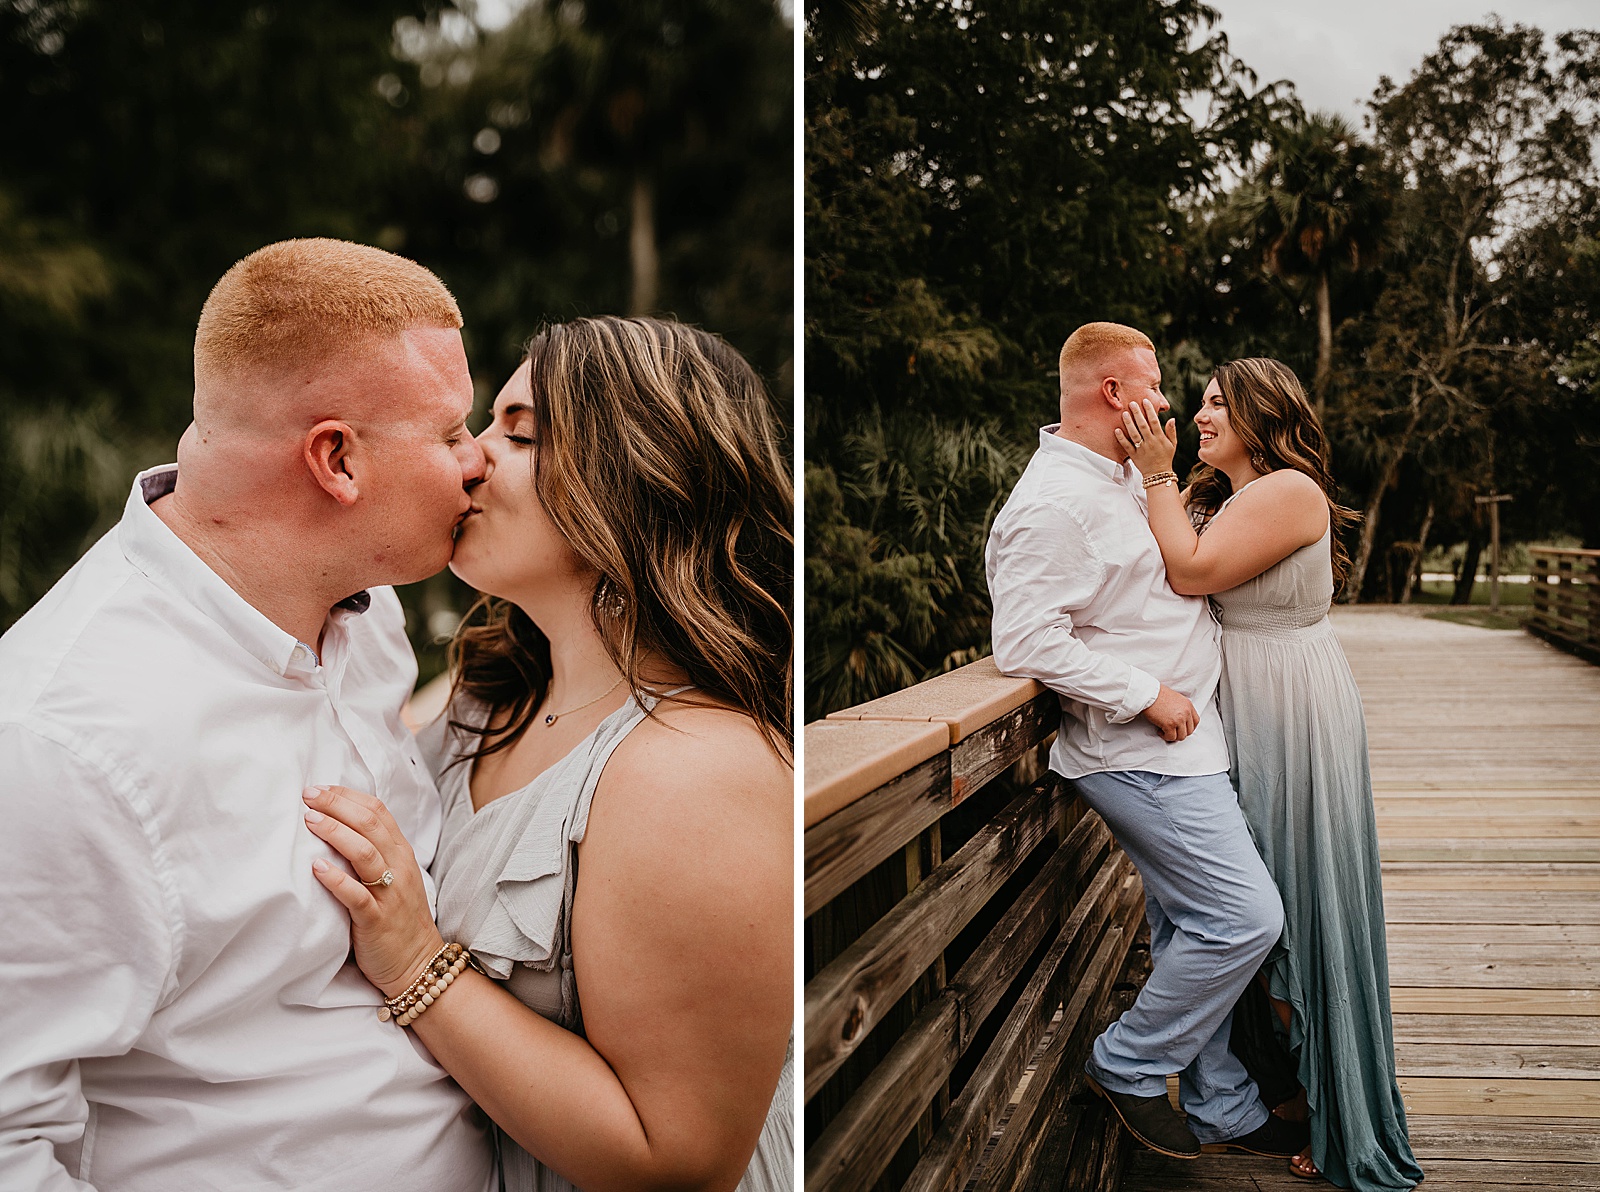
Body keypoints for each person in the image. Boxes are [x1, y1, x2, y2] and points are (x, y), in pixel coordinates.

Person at [0, 239, 495, 1189]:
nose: (476, 464)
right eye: (449, 433)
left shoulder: (366, 610)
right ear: (336, 458)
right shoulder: (65, 740)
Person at [300, 316, 795, 1192]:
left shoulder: (696, 771)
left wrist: (418, 963)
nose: (470, 460)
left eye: (518, 433)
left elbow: (679, 1162)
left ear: (638, 478)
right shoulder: (480, 700)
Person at [985, 322, 1303, 1162]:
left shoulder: (1120, 478)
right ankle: (1127, 1064)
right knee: (1243, 919)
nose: (1167, 404)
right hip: (1142, 754)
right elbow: (1024, 640)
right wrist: (1144, 693)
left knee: (1185, 930)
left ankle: (1224, 1107)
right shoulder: (1054, 502)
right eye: (1156, 388)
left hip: (1187, 749)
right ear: (1115, 395)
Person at [1115, 357, 1422, 1188]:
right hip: (1240, 710)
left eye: (1217, 404)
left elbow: (1190, 571)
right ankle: (1284, 1090)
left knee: (1295, 903)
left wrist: (1155, 478)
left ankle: (1336, 1111)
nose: (1199, 415)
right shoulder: (1226, 498)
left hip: (1290, 710)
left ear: (1262, 415)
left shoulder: (1290, 491)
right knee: (1255, 899)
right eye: (1203, 401)